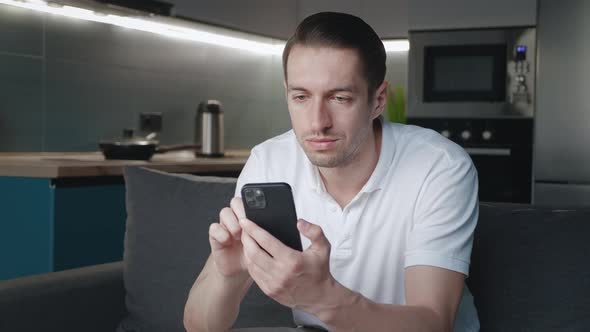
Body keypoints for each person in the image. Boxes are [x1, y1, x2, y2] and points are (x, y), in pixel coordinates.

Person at [184, 11, 479, 332]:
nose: (317, 122)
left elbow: (433, 324)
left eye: (339, 98)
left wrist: (323, 298)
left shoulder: (439, 166)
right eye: (301, 97)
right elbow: (198, 327)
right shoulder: (268, 161)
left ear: (378, 100)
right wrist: (227, 276)